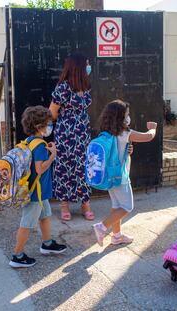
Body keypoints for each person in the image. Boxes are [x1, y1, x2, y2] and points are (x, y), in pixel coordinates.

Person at [93, 100, 157, 246]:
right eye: (126, 114)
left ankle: (117, 236)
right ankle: (101, 227)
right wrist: (153, 128)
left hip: (110, 175)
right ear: (120, 116)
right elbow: (148, 136)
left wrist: (128, 152)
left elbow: (118, 151)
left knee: (117, 205)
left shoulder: (107, 133)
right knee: (127, 206)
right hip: (120, 177)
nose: (128, 117)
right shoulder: (124, 132)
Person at [9, 106, 67, 268]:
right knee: (27, 223)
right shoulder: (40, 145)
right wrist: (53, 156)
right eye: (48, 123)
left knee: (45, 215)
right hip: (36, 193)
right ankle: (17, 255)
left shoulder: (28, 142)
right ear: (38, 126)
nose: (50, 125)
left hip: (37, 192)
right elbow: (40, 169)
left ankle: (47, 243)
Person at [49, 54, 94, 221]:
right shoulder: (63, 88)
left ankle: (85, 204)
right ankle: (64, 206)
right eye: (87, 64)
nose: (89, 67)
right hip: (66, 134)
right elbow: (52, 112)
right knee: (65, 167)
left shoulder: (86, 86)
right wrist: (68, 121)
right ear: (79, 67)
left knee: (83, 166)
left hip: (83, 134)